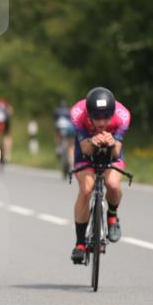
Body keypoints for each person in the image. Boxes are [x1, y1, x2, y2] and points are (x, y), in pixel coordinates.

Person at [69, 87, 131, 264]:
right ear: (89, 114)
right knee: (86, 188)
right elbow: (86, 149)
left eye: (106, 117)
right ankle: (80, 243)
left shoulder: (123, 115)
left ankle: (112, 215)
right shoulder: (77, 113)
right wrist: (93, 142)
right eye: (97, 117)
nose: (102, 122)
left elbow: (116, 153)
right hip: (86, 147)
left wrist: (112, 142)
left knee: (112, 184)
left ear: (113, 114)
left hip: (112, 149)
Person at [53, 100, 76, 176]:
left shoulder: (56, 111)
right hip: (69, 129)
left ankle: (58, 147)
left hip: (59, 128)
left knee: (57, 135)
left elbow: (54, 120)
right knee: (71, 147)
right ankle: (71, 165)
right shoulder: (69, 111)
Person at [0, 98, 13, 164]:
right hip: (5, 118)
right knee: (7, 136)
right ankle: (7, 156)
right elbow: (10, 111)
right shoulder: (6, 105)